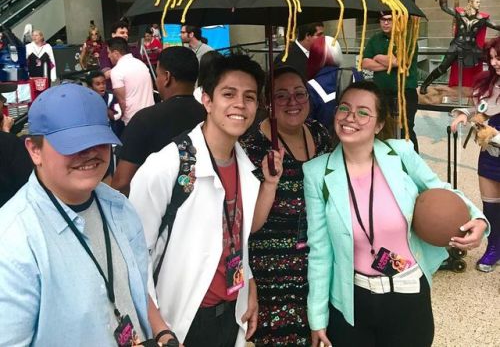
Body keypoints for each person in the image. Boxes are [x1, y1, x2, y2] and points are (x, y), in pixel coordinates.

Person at [303, 80, 488, 347]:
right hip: (352, 301)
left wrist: (478, 218)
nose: (350, 117)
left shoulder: (399, 154)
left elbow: (440, 189)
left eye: (363, 112)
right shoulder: (317, 172)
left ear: (379, 124)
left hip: (408, 290)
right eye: (344, 108)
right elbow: (320, 252)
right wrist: (317, 318)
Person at [129, 54, 283, 347]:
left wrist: (248, 282)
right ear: (207, 100)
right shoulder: (168, 166)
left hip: (229, 316)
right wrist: (159, 328)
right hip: (180, 322)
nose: (240, 104)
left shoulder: (244, 164)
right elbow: (134, 255)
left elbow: (239, 232)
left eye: (249, 97)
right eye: (229, 94)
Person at [0, 84, 159, 344]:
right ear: (34, 149)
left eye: (99, 140)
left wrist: (163, 331)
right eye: (72, 143)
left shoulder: (119, 207)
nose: (90, 152)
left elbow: (134, 288)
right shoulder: (13, 243)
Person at [240, 66, 330, 346]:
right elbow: (248, 223)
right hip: (273, 274)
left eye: (299, 93)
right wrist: (270, 183)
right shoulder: (252, 147)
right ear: (268, 103)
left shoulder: (319, 134)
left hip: (318, 264)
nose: (293, 102)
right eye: (281, 95)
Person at [112, 46, 206, 195]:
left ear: (167, 77)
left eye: (157, 75)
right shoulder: (208, 116)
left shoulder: (144, 120)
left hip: (156, 209)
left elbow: (121, 182)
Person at [451, 36, 500, 272]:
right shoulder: (490, 85)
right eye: (491, 58)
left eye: (498, 57)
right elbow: (480, 109)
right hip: (490, 157)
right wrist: (464, 114)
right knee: (490, 206)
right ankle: (494, 247)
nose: (495, 63)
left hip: (493, 144)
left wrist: (493, 134)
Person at [420, 0, 500, 94]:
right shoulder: (460, 13)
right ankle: (425, 85)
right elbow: (444, 7)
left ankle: (494, 85)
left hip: (472, 47)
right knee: (443, 67)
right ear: (470, 3)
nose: (479, 4)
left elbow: (496, 26)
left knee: (491, 61)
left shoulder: (482, 18)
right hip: (457, 45)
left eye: (479, 2)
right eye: (477, 2)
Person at [362, 12, 419, 152]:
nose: (385, 23)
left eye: (389, 20)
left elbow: (401, 61)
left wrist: (377, 57)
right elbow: (364, 62)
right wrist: (389, 62)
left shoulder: (408, 38)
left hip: (405, 92)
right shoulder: (375, 39)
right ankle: (386, 160)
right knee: (382, 127)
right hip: (382, 92)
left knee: (406, 128)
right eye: (382, 20)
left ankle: (412, 162)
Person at [307, 34, 360, 132]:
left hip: (326, 141)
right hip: (356, 135)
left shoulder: (310, 87)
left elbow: (309, 125)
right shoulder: (355, 75)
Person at [108, 37, 154, 128]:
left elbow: (122, 101)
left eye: (109, 53)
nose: (108, 56)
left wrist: (120, 117)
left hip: (133, 119)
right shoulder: (141, 64)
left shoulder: (116, 71)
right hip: (151, 114)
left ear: (116, 53)